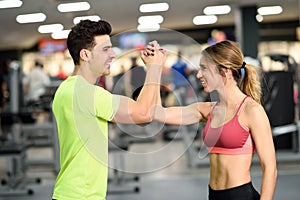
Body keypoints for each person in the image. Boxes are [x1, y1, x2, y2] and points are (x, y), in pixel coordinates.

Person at [51, 19, 166, 200]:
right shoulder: (87, 93)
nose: (113, 54)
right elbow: (143, 114)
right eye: (105, 49)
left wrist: (154, 69)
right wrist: (154, 66)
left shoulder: (66, 89)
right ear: (85, 55)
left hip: (70, 193)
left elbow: (151, 109)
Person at [153, 40, 277, 200]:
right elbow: (156, 113)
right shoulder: (207, 110)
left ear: (223, 71)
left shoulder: (252, 111)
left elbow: (270, 168)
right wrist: (154, 68)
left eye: (204, 68)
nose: (198, 74)